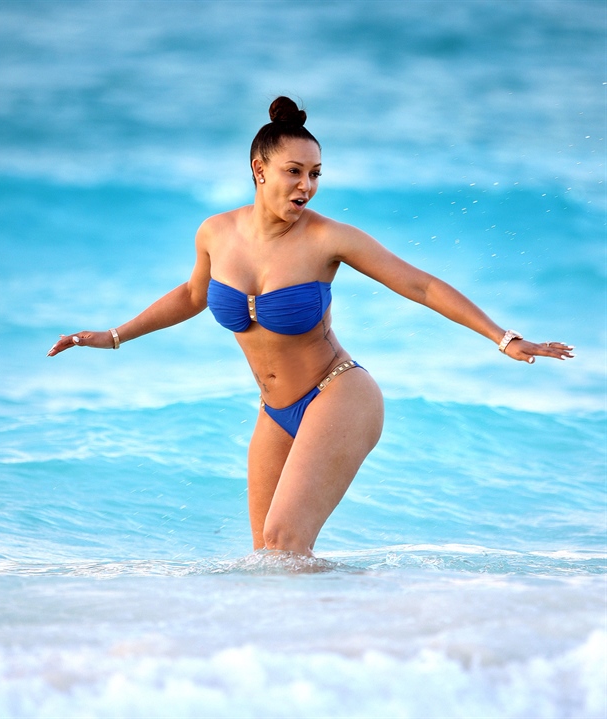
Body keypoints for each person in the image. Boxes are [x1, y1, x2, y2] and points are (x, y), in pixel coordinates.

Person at [47, 96, 574, 557]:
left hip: (339, 393)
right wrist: (114, 336)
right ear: (260, 170)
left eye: (316, 174)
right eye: (294, 172)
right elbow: (191, 296)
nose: (307, 186)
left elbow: (420, 285)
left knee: (284, 542)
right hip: (274, 411)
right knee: (267, 558)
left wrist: (503, 337)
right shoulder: (215, 233)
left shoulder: (328, 239)